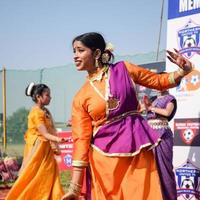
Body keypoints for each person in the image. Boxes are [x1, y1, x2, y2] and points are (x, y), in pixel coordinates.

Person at [61, 32, 194, 200]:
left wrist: (183, 71)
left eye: (80, 50)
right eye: (74, 51)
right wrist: (74, 187)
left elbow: (158, 81)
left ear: (96, 53)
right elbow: (81, 140)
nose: (75, 56)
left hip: (136, 152)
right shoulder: (80, 97)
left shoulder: (123, 69)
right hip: (103, 163)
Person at [6, 83, 68, 200]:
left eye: (50, 95)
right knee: (34, 174)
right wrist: (58, 139)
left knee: (49, 172)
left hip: (46, 148)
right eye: (47, 95)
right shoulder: (36, 113)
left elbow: (50, 129)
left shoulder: (45, 111)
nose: (50, 97)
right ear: (39, 97)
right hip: (37, 148)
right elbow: (44, 133)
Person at [143, 89, 177, 200]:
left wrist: (151, 108)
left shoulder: (170, 99)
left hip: (163, 136)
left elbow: (167, 112)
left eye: (158, 84)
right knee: (151, 169)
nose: (155, 87)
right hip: (149, 137)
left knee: (164, 169)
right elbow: (140, 110)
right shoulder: (152, 100)